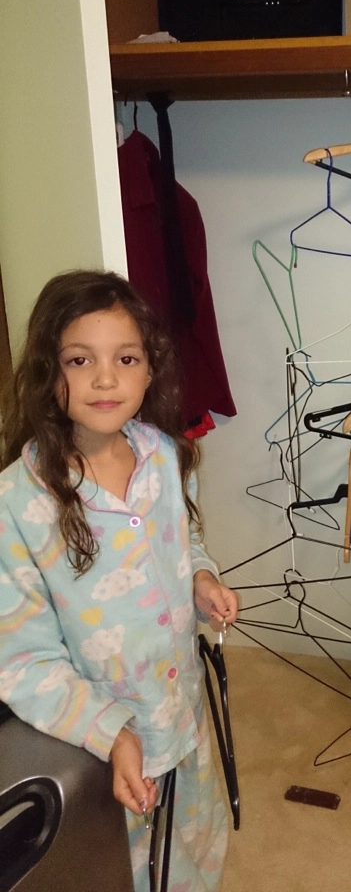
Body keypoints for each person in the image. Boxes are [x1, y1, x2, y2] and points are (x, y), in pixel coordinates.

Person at [0, 269, 239, 892]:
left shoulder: (166, 454)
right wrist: (112, 734)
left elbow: (185, 537)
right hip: (106, 740)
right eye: (80, 360)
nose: (105, 379)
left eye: (125, 359)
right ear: (49, 372)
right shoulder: (15, 503)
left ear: (150, 370)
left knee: (191, 846)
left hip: (182, 710)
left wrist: (201, 578)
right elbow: (21, 660)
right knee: (129, 869)